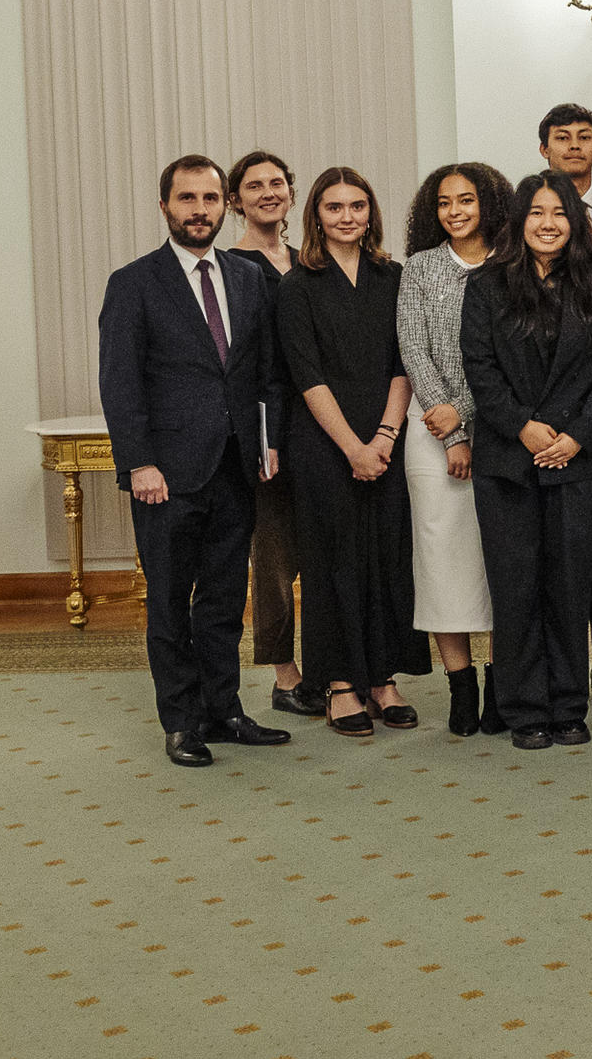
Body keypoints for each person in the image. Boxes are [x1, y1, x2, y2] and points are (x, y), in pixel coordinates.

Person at [96, 155, 292, 767]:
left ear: (223, 205)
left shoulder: (248, 277)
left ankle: (224, 709)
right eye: (187, 199)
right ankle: (181, 722)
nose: (199, 210)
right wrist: (139, 464)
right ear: (165, 208)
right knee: (170, 602)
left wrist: (268, 442)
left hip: (237, 468)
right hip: (167, 477)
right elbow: (120, 385)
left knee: (224, 601)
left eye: (209, 199)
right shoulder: (133, 284)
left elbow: (265, 374)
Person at [459, 172, 592, 748]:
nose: (547, 223)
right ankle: (525, 710)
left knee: (569, 586)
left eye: (559, 213)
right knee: (517, 586)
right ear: (518, 222)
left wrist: (576, 436)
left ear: (575, 222)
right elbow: (479, 369)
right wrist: (524, 427)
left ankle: (568, 706)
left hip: (578, 460)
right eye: (536, 212)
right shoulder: (486, 287)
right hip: (509, 460)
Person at [278, 167, 429, 739]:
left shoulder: (394, 277)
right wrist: (352, 448)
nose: (348, 216)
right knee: (332, 559)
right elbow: (306, 376)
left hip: (387, 435)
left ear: (372, 212)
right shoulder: (297, 285)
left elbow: (404, 360)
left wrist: (385, 438)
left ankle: (383, 678)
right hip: (324, 441)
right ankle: (341, 682)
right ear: (316, 214)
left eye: (358, 205)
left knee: (389, 556)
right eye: (335, 207)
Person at [396, 161, 512, 736]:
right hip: (431, 431)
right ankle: (460, 688)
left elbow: (510, 358)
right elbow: (412, 349)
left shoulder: (515, 266)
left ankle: (498, 688)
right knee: (443, 562)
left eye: (466, 200)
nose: (456, 211)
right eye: (444, 202)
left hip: (501, 425)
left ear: (488, 204)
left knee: (498, 563)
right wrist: (451, 428)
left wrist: (464, 415)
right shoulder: (418, 269)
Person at [224, 149, 314, 716]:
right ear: (236, 200)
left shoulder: (311, 260)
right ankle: (286, 676)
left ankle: (335, 662)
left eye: (276, 183)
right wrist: (263, 436)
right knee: (276, 556)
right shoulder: (231, 267)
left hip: (322, 421)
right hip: (268, 427)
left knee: (326, 550)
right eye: (253, 186)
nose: (267, 193)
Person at [537, 103, 592, 219]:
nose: (575, 145)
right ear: (544, 150)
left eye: (584, 137)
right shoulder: (525, 209)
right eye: (563, 138)